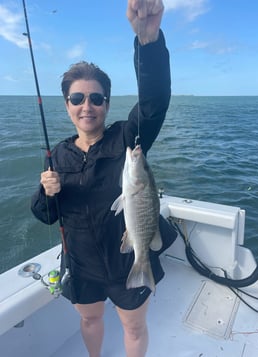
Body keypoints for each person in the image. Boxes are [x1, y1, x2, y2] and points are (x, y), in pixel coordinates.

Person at [31, 0, 177, 356]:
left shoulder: (126, 138)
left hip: (128, 258)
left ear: (107, 104)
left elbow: (154, 101)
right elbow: (45, 214)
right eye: (77, 97)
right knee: (91, 321)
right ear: (67, 104)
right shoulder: (58, 155)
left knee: (133, 325)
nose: (87, 105)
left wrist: (148, 41)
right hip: (82, 264)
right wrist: (46, 192)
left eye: (96, 98)